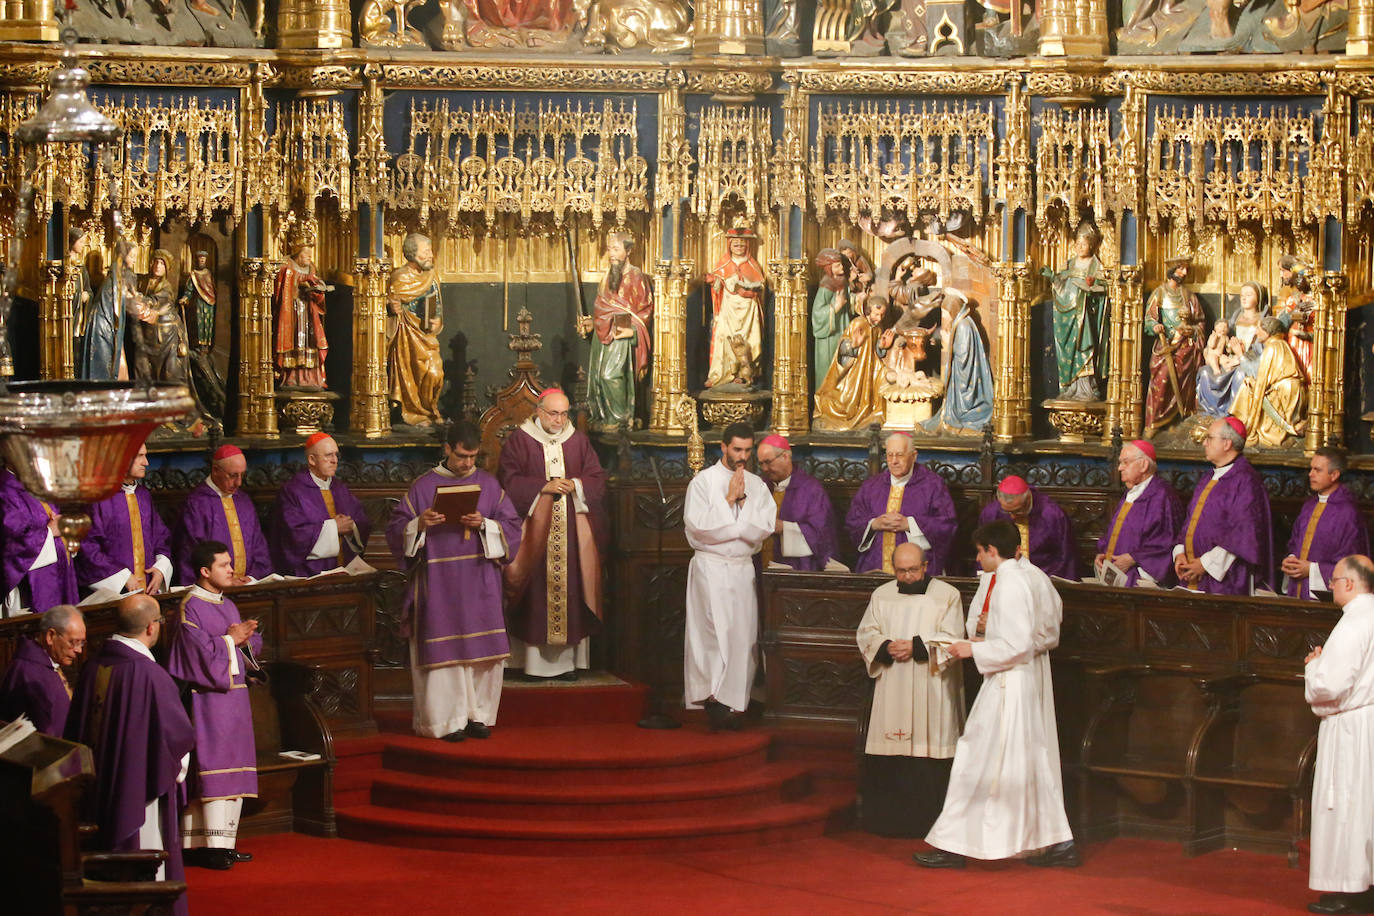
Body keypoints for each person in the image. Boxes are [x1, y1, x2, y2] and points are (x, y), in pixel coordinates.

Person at [917, 520, 1078, 869]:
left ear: (993, 550)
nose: (976, 558)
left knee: (975, 758)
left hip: (1010, 682)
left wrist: (970, 651)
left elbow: (1017, 644)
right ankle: (1055, 842)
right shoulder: (1017, 577)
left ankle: (954, 846)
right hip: (1014, 678)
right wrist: (976, 644)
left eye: (979, 551)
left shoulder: (1012, 583)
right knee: (1025, 763)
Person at [387, 421, 523, 740]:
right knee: (444, 653)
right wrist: (419, 523)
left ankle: (477, 715)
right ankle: (445, 720)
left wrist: (486, 524)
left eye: (473, 457)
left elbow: (512, 526)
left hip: (479, 580)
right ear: (447, 449)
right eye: (462, 456)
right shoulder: (423, 487)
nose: (467, 464)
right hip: (438, 581)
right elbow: (396, 530)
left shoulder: (489, 485)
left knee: (481, 652)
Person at [65, 594, 195, 912]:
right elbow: (177, 739)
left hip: (97, 788)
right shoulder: (151, 676)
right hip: (139, 790)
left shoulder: (94, 665)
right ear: (152, 627)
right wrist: (175, 769)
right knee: (145, 864)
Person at [856, 543, 965, 836]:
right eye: (900, 571)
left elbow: (954, 638)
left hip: (931, 685)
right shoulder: (882, 594)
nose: (906, 577)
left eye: (913, 570)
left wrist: (917, 646)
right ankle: (886, 822)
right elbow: (866, 631)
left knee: (929, 745)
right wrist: (884, 646)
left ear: (926, 566)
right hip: (892, 684)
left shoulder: (947, 595)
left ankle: (931, 824)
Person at [497, 388, 608, 680]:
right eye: (553, 413)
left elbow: (597, 478)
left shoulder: (578, 441)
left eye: (564, 413)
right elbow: (508, 481)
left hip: (571, 536)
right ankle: (530, 664)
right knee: (534, 595)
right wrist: (542, 487)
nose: (559, 420)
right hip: (534, 536)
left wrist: (577, 485)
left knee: (570, 593)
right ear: (539, 411)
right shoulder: (520, 440)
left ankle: (566, 665)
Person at [165, 540, 262, 870]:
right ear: (205, 571)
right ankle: (205, 847)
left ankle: (225, 844)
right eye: (224, 565)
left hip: (234, 698)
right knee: (211, 771)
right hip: (206, 700)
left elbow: (239, 647)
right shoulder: (189, 606)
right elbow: (193, 654)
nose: (231, 569)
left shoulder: (227, 604)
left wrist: (245, 641)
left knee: (233, 770)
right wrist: (230, 641)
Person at [683, 423, 776, 731]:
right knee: (710, 635)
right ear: (722, 447)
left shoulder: (757, 485)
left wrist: (743, 500)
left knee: (741, 635)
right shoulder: (703, 482)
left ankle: (734, 703)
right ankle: (711, 698)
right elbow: (696, 528)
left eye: (748, 450)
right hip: (710, 569)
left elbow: (763, 527)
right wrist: (727, 502)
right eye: (737, 449)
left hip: (740, 568)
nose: (743, 457)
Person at [1304, 555, 1374, 916]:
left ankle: (1348, 891)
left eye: (1333, 580)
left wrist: (1314, 666)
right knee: (1367, 808)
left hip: (1352, 729)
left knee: (1346, 805)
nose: (1330, 586)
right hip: (1369, 723)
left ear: (1350, 583)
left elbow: (1330, 686)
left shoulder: (1354, 622)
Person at [1172, 416, 1273, 595]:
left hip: (1226, 579)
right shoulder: (1208, 478)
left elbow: (1242, 535)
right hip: (1191, 572)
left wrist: (1205, 564)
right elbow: (1190, 522)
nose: (1204, 443)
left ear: (1227, 444)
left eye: (1210, 438)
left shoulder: (1246, 481)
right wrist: (1180, 553)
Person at [846, 433, 957, 576]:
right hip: (875, 566)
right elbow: (852, 522)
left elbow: (947, 525)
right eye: (889, 455)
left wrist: (910, 525)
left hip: (916, 572)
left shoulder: (933, 485)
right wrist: (874, 524)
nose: (894, 461)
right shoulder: (872, 485)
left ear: (914, 455)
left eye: (900, 455)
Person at [578, 229, 654, 432]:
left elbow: (644, 311)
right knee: (598, 379)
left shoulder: (636, 276)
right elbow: (602, 310)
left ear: (628, 250)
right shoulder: (606, 277)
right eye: (609, 249)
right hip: (603, 337)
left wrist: (635, 331)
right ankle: (604, 417)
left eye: (616, 249)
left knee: (611, 376)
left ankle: (621, 418)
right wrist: (592, 324)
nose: (611, 253)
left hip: (622, 336)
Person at [75, 443, 173, 597]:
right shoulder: (98, 498)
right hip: (114, 594)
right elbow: (87, 547)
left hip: (149, 590)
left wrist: (161, 568)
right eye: (140, 456)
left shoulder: (143, 495)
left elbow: (161, 537)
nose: (146, 463)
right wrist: (122, 577)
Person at [268, 432, 371, 576]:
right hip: (309, 575)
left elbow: (362, 521)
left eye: (336, 455)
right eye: (328, 455)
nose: (334, 460)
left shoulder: (340, 488)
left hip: (345, 572)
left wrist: (351, 526)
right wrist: (334, 528)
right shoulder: (292, 491)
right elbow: (292, 536)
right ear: (312, 459)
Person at [173, 444, 271, 586]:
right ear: (216, 470)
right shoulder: (196, 504)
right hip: (213, 590)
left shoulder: (244, 501)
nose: (238, 482)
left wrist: (252, 578)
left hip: (249, 588)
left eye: (242, 475)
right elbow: (190, 554)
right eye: (232, 476)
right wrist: (224, 582)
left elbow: (259, 546)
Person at [1093, 440, 1185, 588]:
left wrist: (1132, 558)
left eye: (1125, 462)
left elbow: (1167, 542)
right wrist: (1104, 554)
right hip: (1116, 575)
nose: (1120, 468)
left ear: (1143, 465)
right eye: (1120, 462)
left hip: (1140, 581)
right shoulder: (1131, 493)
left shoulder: (1162, 496)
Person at [1282, 449, 1370, 601]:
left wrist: (1311, 570)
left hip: (1325, 602)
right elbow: (1295, 542)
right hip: (1297, 594)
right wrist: (1291, 560)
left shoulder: (1348, 513)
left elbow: (1351, 564)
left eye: (1317, 470)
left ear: (1334, 475)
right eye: (1311, 468)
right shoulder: (1309, 505)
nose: (1310, 474)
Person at [0, 463, 78, 617]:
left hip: (57, 579)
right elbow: (10, 548)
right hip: (28, 591)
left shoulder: (36, 486)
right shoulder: (5, 490)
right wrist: (49, 532)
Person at [1041, 220, 1106, 401]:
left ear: (1092, 245)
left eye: (1083, 243)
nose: (1079, 246)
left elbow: (1104, 289)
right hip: (1066, 316)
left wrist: (1093, 289)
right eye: (1077, 243)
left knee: (1085, 347)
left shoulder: (1096, 266)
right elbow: (1060, 288)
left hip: (1085, 316)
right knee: (1069, 350)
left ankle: (1087, 388)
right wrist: (1053, 277)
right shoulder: (1068, 265)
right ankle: (1070, 387)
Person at [386, 231, 445, 428]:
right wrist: (391, 307)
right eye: (426, 251)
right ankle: (414, 413)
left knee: (435, 373)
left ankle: (429, 409)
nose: (430, 255)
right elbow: (383, 303)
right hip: (405, 337)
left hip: (426, 336)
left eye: (430, 251)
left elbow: (436, 307)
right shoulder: (399, 277)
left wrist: (437, 321)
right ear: (413, 254)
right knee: (410, 375)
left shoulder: (431, 276)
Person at [755, 434, 839, 571]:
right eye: (761, 463)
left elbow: (822, 533)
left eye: (768, 462)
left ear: (785, 457)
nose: (764, 469)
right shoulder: (761, 486)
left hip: (798, 568)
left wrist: (784, 528)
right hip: (761, 565)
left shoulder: (811, 489)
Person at [1143, 255, 1205, 437]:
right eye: (1181, 268)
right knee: (1161, 380)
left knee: (1185, 385)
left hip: (1186, 349)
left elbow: (1201, 322)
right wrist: (1155, 326)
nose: (1185, 273)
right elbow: (1149, 319)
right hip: (1167, 345)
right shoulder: (1159, 294)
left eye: (1186, 269)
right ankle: (1154, 422)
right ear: (1171, 270)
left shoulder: (1189, 296)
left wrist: (1192, 331)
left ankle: (1181, 419)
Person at [920, 288, 995, 436]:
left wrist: (948, 345)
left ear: (952, 310)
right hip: (961, 372)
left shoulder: (963, 325)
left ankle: (960, 417)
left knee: (962, 406)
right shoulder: (961, 322)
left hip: (965, 376)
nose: (944, 317)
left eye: (945, 313)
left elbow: (963, 356)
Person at [0, 604, 84, 735]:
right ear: (51, 636)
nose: (79, 650)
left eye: (82, 642)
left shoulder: (48, 664)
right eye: (74, 642)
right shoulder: (29, 673)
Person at [977, 475, 1078, 580]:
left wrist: (1048, 581)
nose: (1012, 516)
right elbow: (984, 550)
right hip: (1003, 577)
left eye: (1018, 511)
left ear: (1028, 498)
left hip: (1044, 577)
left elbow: (1066, 555)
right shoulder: (991, 513)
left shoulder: (1051, 514)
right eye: (1007, 511)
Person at [704, 222, 767, 389]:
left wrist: (749, 291)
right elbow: (715, 282)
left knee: (747, 340)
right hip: (728, 309)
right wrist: (716, 281)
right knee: (723, 337)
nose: (739, 246)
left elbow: (760, 286)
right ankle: (720, 374)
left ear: (747, 245)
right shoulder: (723, 264)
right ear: (729, 245)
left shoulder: (752, 265)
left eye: (742, 243)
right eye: (735, 243)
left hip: (748, 312)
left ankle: (743, 373)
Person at [1228, 316, 1307, 448]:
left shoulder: (1273, 347)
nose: (1256, 332)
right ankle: (1238, 422)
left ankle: (1242, 425)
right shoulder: (1280, 345)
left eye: (1259, 329)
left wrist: (1240, 355)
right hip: (1288, 391)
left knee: (1248, 384)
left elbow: (1258, 376)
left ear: (1268, 332)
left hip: (1284, 395)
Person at [813, 296, 889, 431]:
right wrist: (853, 345)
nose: (880, 318)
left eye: (882, 315)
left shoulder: (878, 328)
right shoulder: (858, 323)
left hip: (870, 368)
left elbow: (876, 350)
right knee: (846, 402)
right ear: (868, 311)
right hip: (853, 370)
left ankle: (871, 413)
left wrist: (882, 346)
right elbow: (843, 347)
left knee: (882, 377)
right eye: (877, 314)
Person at [1196, 281, 1266, 419]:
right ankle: (1211, 413)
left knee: (1240, 375)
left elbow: (1261, 350)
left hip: (1247, 361)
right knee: (1204, 372)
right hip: (1229, 358)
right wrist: (1222, 357)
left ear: (1258, 298)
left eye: (1249, 294)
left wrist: (1240, 357)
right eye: (1242, 295)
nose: (1244, 298)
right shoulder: (1235, 319)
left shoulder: (1262, 321)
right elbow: (1225, 341)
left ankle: (1233, 414)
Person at [273, 225, 330, 388]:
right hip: (291, 312)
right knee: (294, 342)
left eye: (311, 254)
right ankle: (292, 378)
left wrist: (317, 288)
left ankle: (311, 379)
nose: (309, 257)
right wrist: (299, 281)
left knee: (311, 342)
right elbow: (281, 287)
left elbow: (314, 282)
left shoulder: (311, 267)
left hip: (308, 311)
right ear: (298, 252)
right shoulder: (286, 265)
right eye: (306, 253)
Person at [81, 238, 140, 380]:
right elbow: (126, 300)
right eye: (131, 256)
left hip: (106, 324)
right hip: (103, 327)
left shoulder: (119, 274)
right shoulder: (118, 276)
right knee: (105, 368)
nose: (134, 260)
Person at [179, 245, 226, 420]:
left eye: (203, 259)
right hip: (198, 306)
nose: (201, 261)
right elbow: (189, 291)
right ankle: (199, 346)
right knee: (199, 325)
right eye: (198, 259)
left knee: (208, 325)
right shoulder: (193, 275)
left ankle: (206, 346)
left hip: (210, 304)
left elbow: (214, 289)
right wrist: (185, 298)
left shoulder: (209, 275)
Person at [811, 248, 853, 390]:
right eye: (837, 266)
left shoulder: (842, 281)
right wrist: (835, 307)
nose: (841, 267)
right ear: (829, 268)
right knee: (829, 367)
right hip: (829, 335)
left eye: (841, 264)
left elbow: (849, 302)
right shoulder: (826, 285)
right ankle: (826, 402)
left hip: (842, 329)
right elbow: (817, 313)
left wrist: (857, 299)